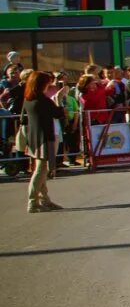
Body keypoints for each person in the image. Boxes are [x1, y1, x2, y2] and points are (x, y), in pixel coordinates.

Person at [21, 71, 65, 213]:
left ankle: (44, 199)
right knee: (41, 170)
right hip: (44, 137)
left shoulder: (28, 99)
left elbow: (23, 119)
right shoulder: (44, 101)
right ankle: (33, 202)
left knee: (41, 169)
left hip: (33, 137)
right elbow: (58, 114)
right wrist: (59, 98)